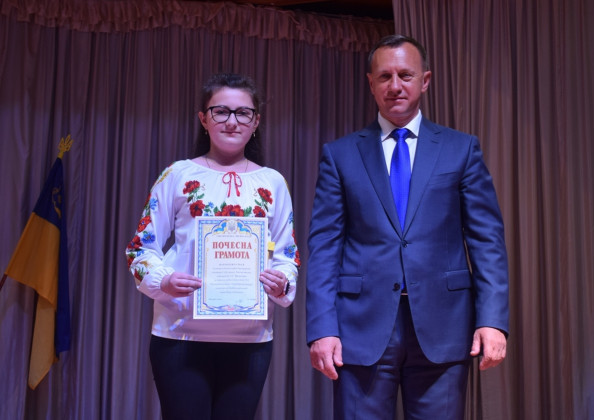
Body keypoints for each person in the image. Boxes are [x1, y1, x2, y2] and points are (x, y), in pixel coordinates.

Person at [306, 35, 509, 419]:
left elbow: (487, 242)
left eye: (405, 75)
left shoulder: (461, 149)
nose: (395, 85)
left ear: (425, 80)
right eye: (384, 76)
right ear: (371, 83)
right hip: (359, 329)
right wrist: (321, 327)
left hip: (444, 326)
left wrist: (492, 321)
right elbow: (325, 246)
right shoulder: (340, 154)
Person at [125, 73, 300, 420]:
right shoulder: (177, 175)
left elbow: (287, 255)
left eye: (243, 113)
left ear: (256, 122)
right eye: (221, 111)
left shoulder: (273, 182)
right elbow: (141, 248)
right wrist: (164, 280)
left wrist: (282, 282)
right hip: (180, 334)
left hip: (250, 339)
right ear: (203, 119)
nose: (232, 121)